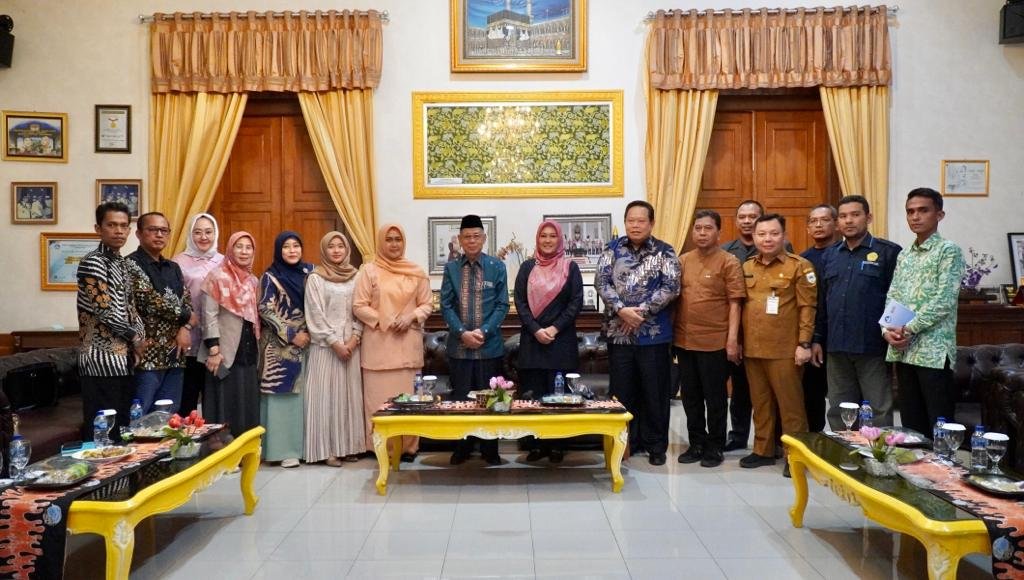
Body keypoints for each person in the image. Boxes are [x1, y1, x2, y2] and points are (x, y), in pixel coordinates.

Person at [596, 201, 680, 466]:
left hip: (653, 336)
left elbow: (671, 287)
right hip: (619, 334)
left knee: (655, 392)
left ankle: (656, 446)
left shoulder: (665, 251)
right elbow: (602, 282)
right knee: (622, 392)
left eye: (641, 220)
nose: (635, 225)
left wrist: (640, 313)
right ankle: (625, 444)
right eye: (630, 220)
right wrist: (622, 310)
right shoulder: (611, 249)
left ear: (651, 223)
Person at [813, 196, 901, 429]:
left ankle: (877, 450)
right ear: (837, 222)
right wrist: (817, 338)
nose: (849, 221)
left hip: (872, 345)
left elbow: (900, 296)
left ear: (868, 218)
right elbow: (822, 301)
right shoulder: (830, 255)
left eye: (855, 214)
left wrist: (893, 332)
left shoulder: (888, 252)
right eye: (843, 216)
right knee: (839, 408)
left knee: (878, 408)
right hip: (836, 345)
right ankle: (843, 449)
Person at [884, 188, 965, 435]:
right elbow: (893, 296)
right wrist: (887, 330)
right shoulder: (904, 254)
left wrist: (907, 329)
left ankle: (943, 463)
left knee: (939, 426)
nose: (915, 216)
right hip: (904, 350)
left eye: (923, 210)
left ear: (939, 215)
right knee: (911, 427)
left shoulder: (948, 250)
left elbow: (944, 301)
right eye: (910, 211)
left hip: (933, 351)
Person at [739, 214, 816, 477]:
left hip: (785, 349)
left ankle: (795, 456)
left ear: (784, 236)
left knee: (791, 407)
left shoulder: (799, 266)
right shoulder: (747, 266)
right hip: (753, 348)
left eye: (773, 233)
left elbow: (807, 307)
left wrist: (804, 343)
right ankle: (763, 450)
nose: (767, 239)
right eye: (762, 234)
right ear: (754, 237)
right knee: (760, 404)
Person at [353, 224, 433, 462]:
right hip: (378, 347)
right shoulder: (369, 271)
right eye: (389, 239)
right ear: (381, 242)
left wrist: (411, 317)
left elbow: (427, 304)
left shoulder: (416, 272)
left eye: (398, 239)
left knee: (409, 403)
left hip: (407, 346)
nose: (394, 244)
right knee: (378, 403)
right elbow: (359, 306)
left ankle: (408, 449)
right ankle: (379, 448)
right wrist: (383, 320)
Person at [673, 210, 745, 468]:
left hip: (715, 341)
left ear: (718, 232)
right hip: (684, 341)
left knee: (715, 398)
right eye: (698, 228)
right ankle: (696, 443)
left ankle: (715, 446)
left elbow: (735, 303)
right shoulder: (683, 260)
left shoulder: (729, 262)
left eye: (708, 228)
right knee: (690, 397)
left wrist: (732, 340)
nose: (702, 233)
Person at [441, 214, 509, 466]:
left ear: (484, 238)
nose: (471, 241)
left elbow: (502, 305)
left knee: (490, 400)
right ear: (460, 239)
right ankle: (462, 448)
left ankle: (490, 450)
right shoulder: (451, 269)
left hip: (489, 347)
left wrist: (483, 331)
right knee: (461, 400)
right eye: (467, 237)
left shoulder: (496, 266)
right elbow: (446, 305)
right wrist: (462, 332)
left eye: (476, 236)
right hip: (459, 349)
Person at [514, 220, 584, 463]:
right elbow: (520, 302)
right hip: (532, 342)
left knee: (559, 397)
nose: (547, 240)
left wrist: (554, 328)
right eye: (543, 235)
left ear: (560, 239)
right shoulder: (527, 268)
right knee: (533, 397)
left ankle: (557, 446)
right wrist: (536, 330)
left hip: (561, 342)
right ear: (537, 238)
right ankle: (535, 445)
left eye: (552, 236)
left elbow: (575, 302)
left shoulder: (570, 267)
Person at [77, 202, 146, 440]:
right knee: (102, 433)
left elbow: (130, 308)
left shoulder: (122, 263)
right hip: (99, 360)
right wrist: (135, 338)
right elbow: (104, 311)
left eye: (124, 226)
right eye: (112, 225)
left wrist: (140, 337)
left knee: (123, 430)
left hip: (123, 359)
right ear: (98, 228)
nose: (119, 231)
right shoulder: (93, 262)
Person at [305, 231, 365, 466]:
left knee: (349, 398)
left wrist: (354, 339)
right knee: (326, 399)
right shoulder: (315, 278)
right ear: (324, 250)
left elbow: (361, 308)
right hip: (325, 348)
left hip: (351, 346)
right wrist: (334, 342)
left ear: (347, 249)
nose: (337, 250)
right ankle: (327, 450)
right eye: (331, 246)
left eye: (341, 246)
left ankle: (349, 446)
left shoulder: (356, 276)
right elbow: (315, 313)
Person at [258, 232, 313, 468]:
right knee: (282, 396)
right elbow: (265, 309)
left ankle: (306, 449)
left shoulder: (311, 273)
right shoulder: (270, 277)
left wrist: (310, 332)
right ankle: (282, 451)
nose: (292, 250)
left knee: (305, 398)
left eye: (296, 246)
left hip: (309, 342)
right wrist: (291, 335)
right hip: (280, 347)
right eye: (286, 246)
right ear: (279, 250)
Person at [128, 212, 191, 413]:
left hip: (175, 353)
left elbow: (187, 300)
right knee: (140, 415)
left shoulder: (174, 267)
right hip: (146, 356)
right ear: (139, 234)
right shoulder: (130, 264)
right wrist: (187, 317)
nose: (159, 234)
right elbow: (150, 301)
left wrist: (186, 327)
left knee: (168, 418)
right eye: (153, 230)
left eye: (164, 230)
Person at [200, 231, 261, 438]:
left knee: (247, 404)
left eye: (248, 247)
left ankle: (246, 448)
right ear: (230, 249)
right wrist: (214, 350)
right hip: (223, 352)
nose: (244, 252)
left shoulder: (253, 281)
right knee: (224, 405)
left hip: (248, 351)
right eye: (239, 246)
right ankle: (223, 450)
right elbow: (209, 315)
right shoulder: (216, 276)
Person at [172, 213, 225, 415]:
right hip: (190, 338)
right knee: (188, 398)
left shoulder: (224, 261)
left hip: (218, 341)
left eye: (208, 232)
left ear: (215, 234)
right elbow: (174, 299)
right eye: (198, 232)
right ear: (190, 234)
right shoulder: (178, 262)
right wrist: (184, 325)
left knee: (215, 399)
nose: (204, 237)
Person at [799, 204, 838, 432]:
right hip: (813, 335)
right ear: (807, 228)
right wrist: (811, 339)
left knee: (842, 396)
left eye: (824, 220)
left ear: (836, 224)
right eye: (813, 221)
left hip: (840, 335)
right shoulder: (803, 260)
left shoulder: (843, 253)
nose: (819, 225)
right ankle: (815, 439)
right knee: (812, 393)